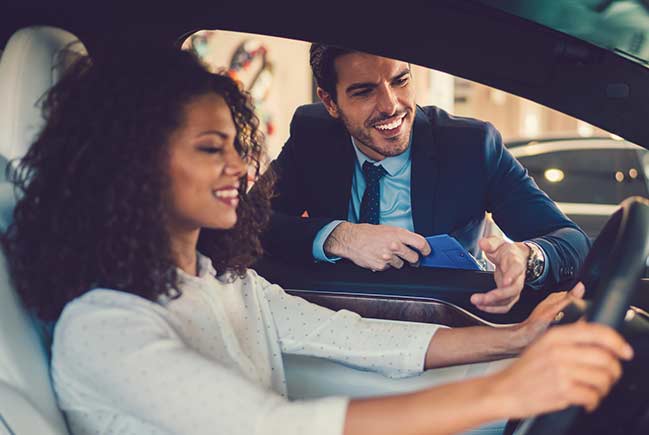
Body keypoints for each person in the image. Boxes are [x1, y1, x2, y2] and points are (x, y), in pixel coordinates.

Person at [3, 46, 631, 435]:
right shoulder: (104, 329)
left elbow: (350, 334)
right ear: (133, 165)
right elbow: (271, 425)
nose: (241, 169)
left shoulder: (218, 280)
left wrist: (514, 338)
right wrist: (508, 389)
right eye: (209, 149)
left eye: (236, 146)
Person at [260, 44, 591, 314]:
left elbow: (570, 241)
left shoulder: (471, 145)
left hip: (442, 319)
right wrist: (340, 237)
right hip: (332, 318)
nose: (391, 106)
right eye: (364, 92)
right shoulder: (312, 134)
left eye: (400, 81)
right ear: (330, 102)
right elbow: (249, 222)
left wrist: (526, 257)